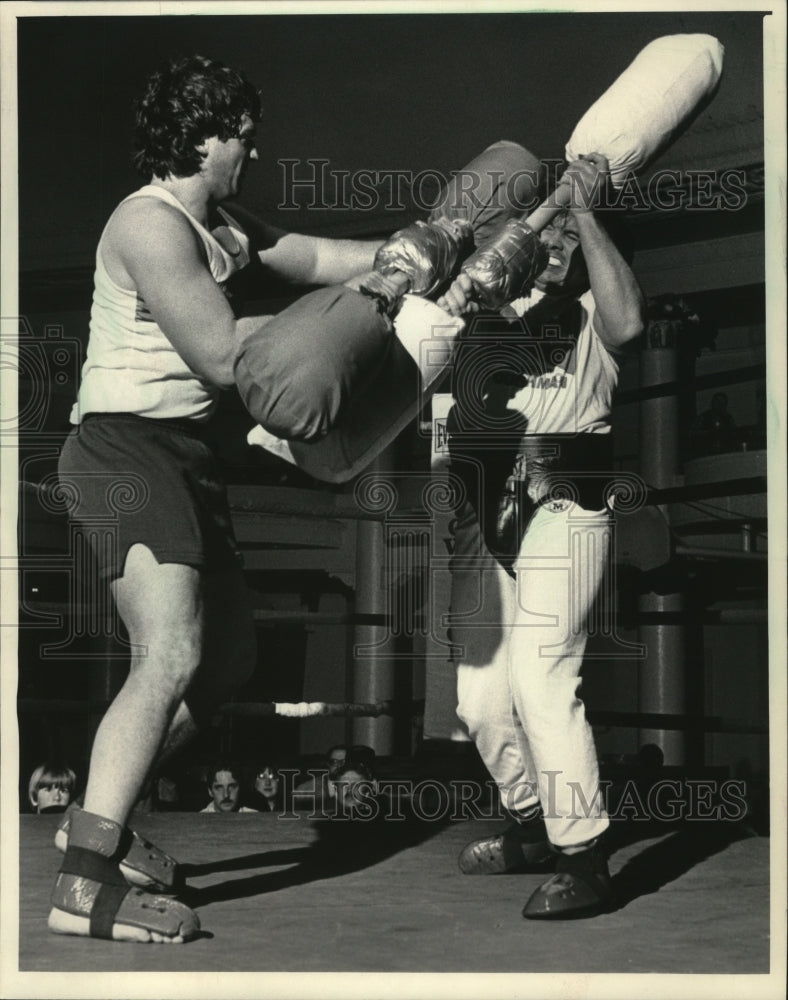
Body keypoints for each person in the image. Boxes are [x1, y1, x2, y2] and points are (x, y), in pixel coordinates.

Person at [50, 53, 401, 945]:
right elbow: (218, 351)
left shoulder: (225, 224)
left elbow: (318, 255)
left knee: (227, 664)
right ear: (204, 135)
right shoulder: (149, 224)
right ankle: (84, 886)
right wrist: (360, 312)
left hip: (190, 456)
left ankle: (99, 815)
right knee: (168, 652)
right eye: (243, 135)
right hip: (123, 451)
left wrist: (420, 252)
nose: (253, 149)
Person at [437, 153, 645, 919]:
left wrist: (587, 213)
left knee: (542, 672)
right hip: (486, 511)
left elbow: (630, 323)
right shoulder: (478, 314)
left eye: (565, 231)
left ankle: (585, 856)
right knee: (480, 700)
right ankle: (530, 821)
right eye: (543, 227)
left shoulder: (593, 309)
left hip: (567, 500)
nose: (553, 242)